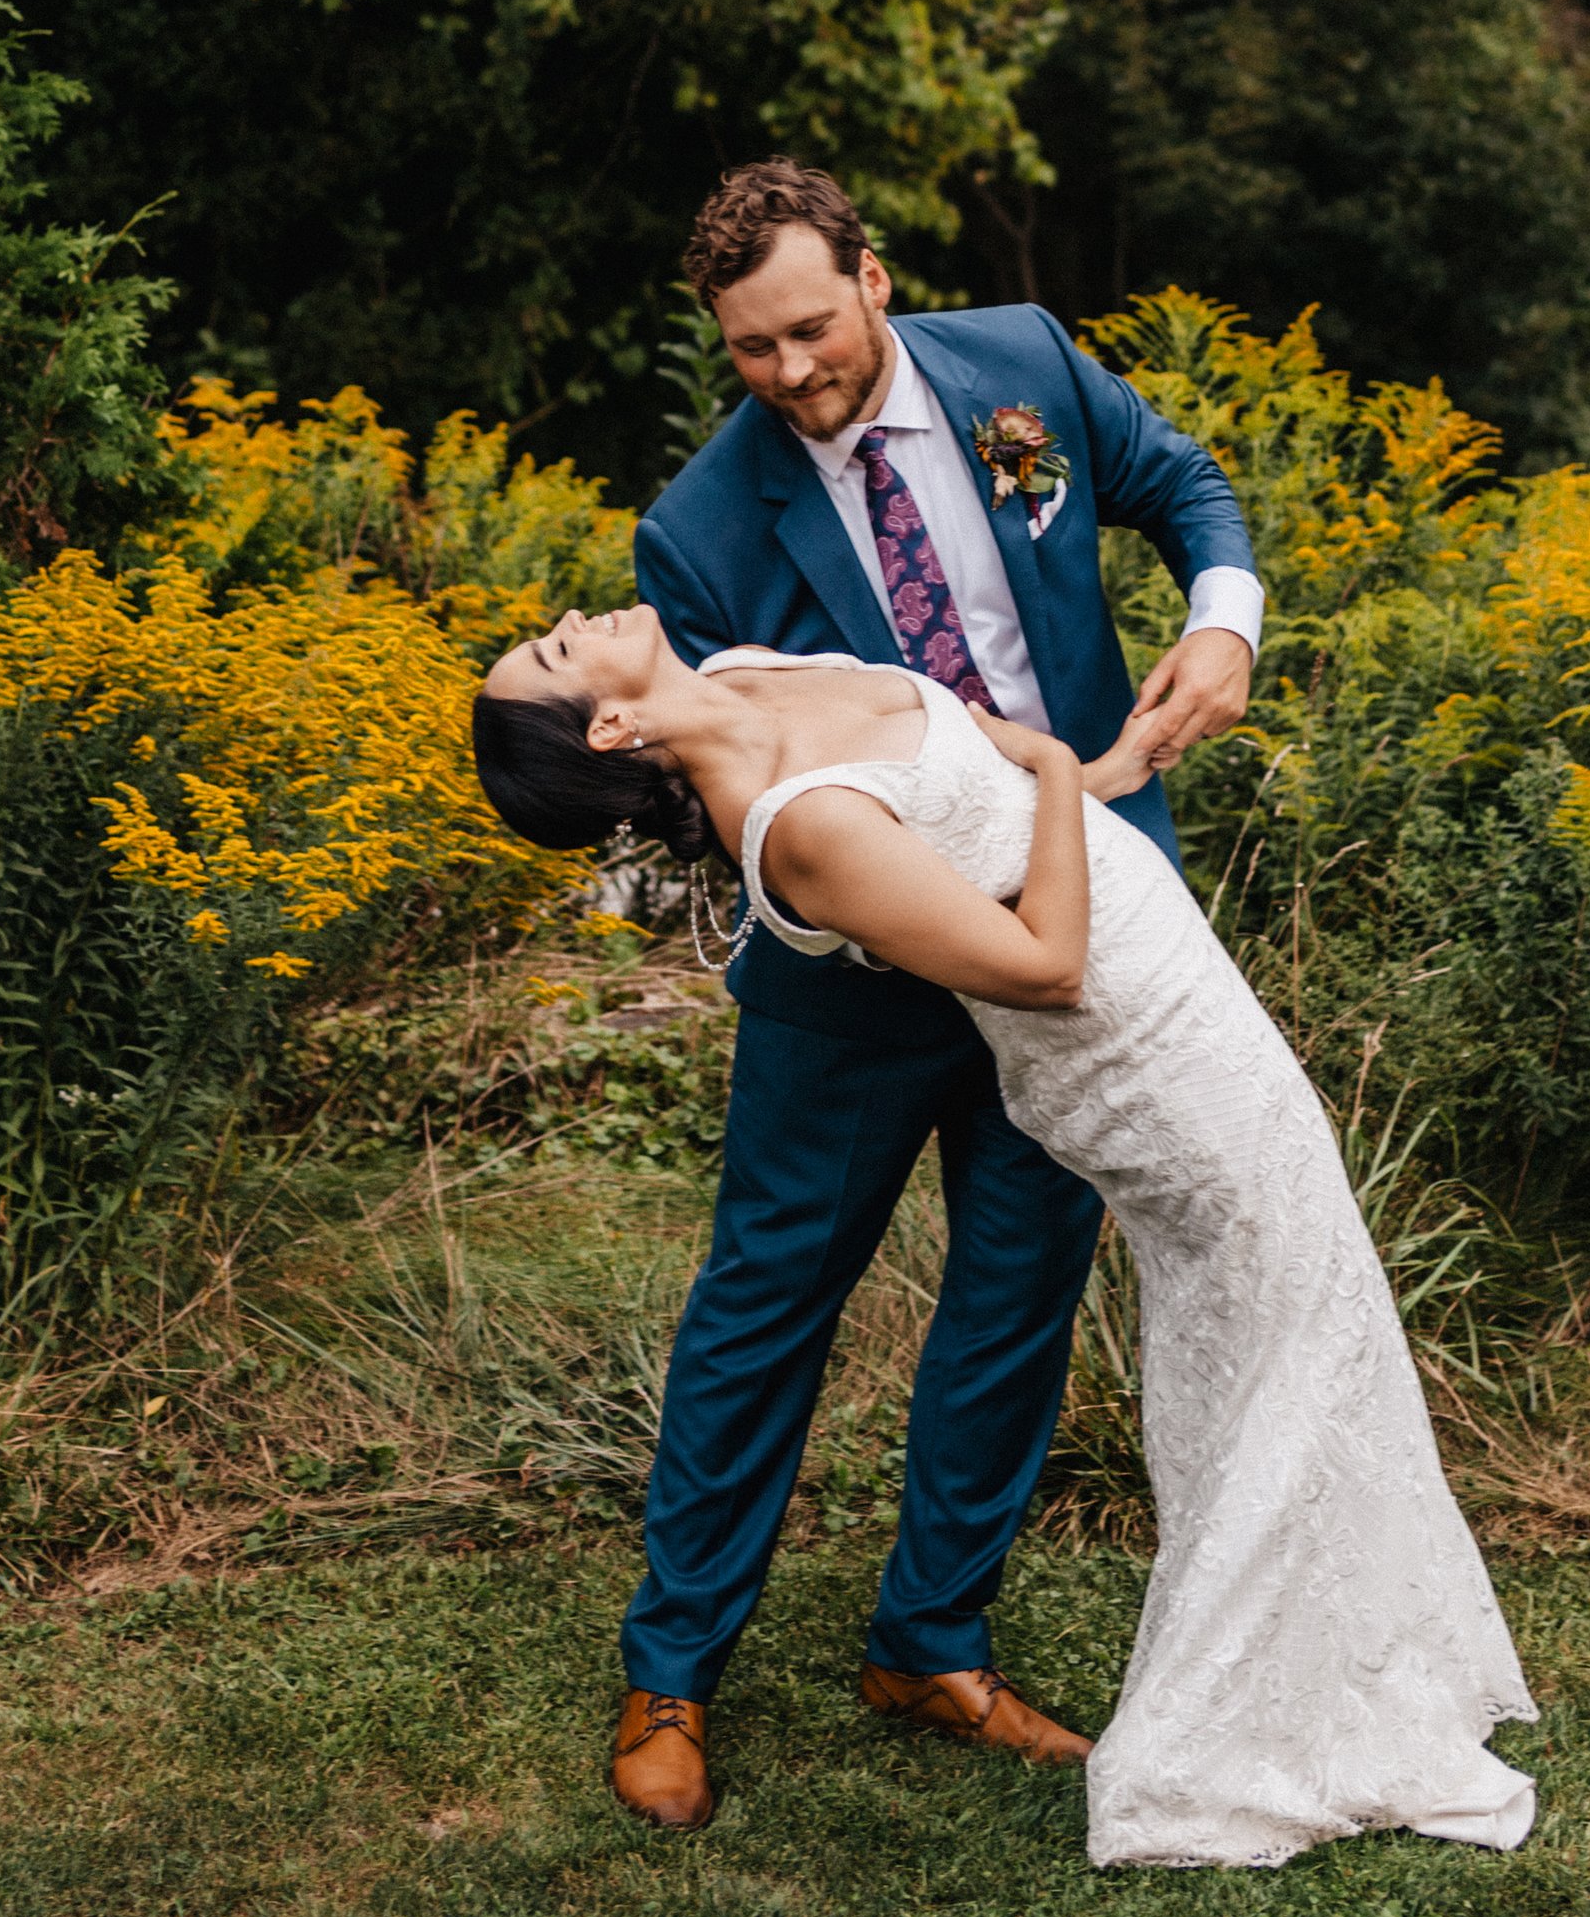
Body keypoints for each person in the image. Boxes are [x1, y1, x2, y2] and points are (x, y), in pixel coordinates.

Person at [474, 614, 1538, 1868]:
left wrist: (1087, 778)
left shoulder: (740, 671)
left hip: (1179, 1005)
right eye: (551, 654)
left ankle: (1316, 1657)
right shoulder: (794, 820)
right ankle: (1237, 1719)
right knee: (1268, 1326)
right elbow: (1044, 967)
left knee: (1291, 1318)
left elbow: (965, 791)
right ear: (610, 726)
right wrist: (1045, 770)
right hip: (1101, 1038)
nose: (562, 624)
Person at [478, 155, 1266, 1827]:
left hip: (1078, 924)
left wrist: (1225, 622)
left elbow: (1180, 479)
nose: (788, 376)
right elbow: (710, 788)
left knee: (1019, 1283)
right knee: (764, 1305)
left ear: (875, 280)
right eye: (749, 351)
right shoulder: (694, 528)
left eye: (810, 331)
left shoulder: (1026, 370)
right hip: (845, 977)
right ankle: (671, 1673)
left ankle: (933, 1643)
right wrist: (871, 901)